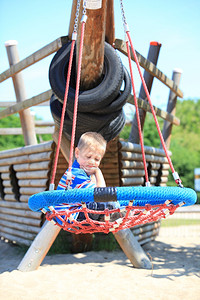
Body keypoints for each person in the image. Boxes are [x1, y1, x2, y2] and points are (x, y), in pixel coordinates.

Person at [57, 132, 119, 222]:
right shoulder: (75, 174)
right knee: (109, 202)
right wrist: (98, 172)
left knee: (112, 201)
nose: (92, 162)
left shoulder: (84, 174)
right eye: (88, 156)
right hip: (72, 214)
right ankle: (116, 213)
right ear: (77, 153)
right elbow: (101, 194)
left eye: (97, 159)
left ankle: (115, 212)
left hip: (79, 211)